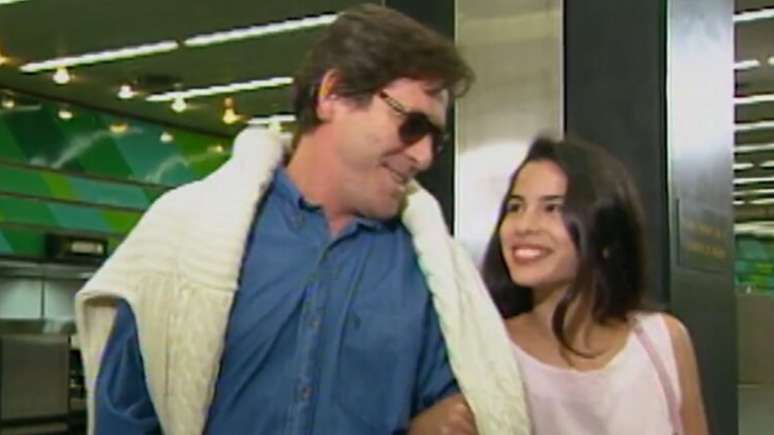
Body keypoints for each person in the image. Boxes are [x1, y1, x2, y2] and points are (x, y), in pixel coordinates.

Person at [75, 5, 529, 435]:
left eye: (436, 140)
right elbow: (127, 415)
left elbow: (461, 405)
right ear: (333, 94)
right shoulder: (183, 234)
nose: (424, 156)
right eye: (413, 126)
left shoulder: (430, 273)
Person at [478, 136, 709, 434]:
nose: (523, 226)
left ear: (605, 228)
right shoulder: (486, 348)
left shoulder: (662, 341)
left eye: (553, 208)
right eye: (515, 207)